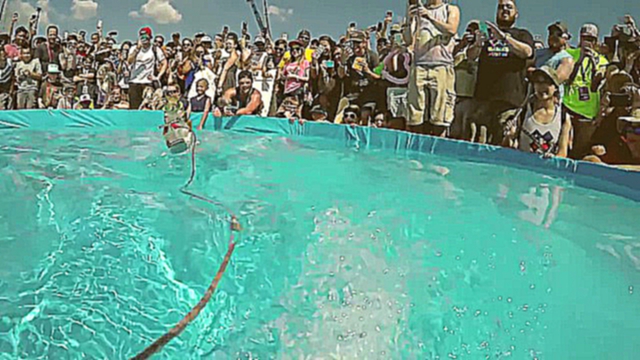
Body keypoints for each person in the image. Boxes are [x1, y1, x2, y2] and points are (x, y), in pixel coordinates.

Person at [467, 0, 535, 145]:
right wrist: (478, 44)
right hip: (483, 100)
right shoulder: (487, 33)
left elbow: (527, 52)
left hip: (509, 101)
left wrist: (504, 37)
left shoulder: (522, 34)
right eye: (501, 7)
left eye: (509, 7)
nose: (504, 9)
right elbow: (470, 56)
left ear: (516, 14)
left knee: (505, 142)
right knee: (477, 141)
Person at [406, 0, 461, 137]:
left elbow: (451, 29)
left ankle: (437, 153)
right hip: (419, 66)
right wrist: (409, 20)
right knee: (415, 116)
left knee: (440, 117)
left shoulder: (450, 9)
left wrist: (429, 16)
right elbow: (408, 40)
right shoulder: (419, 12)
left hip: (441, 67)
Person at [563, 24, 609, 159]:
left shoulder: (602, 60)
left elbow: (596, 85)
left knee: (578, 152)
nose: (588, 42)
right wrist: (580, 60)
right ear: (580, 38)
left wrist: (593, 64)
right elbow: (568, 79)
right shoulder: (570, 54)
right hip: (568, 108)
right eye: (585, 38)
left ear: (595, 41)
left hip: (587, 115)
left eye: (591, 39)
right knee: (564, 148)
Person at [507, 66, 572, 158]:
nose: (542, 87)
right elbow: (507, 148)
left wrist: (552, 159)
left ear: (556, 87)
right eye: (538, 82)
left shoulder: (563, 118)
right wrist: (509, 137)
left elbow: (562, 152)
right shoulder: (523, 112)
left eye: (547, 82)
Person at [452, 21, 480, 140]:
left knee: (467, 133)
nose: (471, 32)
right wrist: (461, 44)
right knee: (453, 132)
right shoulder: (459, 49)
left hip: (471, 99)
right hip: (455, 97)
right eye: (469, 29)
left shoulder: (482, 49)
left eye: (475, 30)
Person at [128, 27, 167, 110]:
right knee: (134, 108)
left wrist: (158, 77)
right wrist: (137, 49)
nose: (144, 39)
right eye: (142, 37)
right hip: (134, 81)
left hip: (148, 82)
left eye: (146, 37)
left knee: (148, 106)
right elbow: (129, 61)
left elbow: (164, 63)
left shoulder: (155, 49)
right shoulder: (133, 48)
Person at [535, 22, 575, 87]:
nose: (554, 36)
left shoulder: (567, 58)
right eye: (551, 33)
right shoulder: (537, 53)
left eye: (558, 34)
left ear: (565, 38)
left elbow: (557, 79)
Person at [279, 39, 310, 118]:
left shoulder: (305, 62)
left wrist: (295, 77)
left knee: (293, 114)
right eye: (292, 49)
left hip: (298, 90)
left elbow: (308, 78)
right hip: (287, 91)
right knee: (283, 114)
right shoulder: (288, 63)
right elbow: (283, 75)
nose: (294, 51)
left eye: (297, 49)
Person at [0, 41, 14, 110]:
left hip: (8, 90)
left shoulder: (10, 64)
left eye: (4, 56)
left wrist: (11, 90)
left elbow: (13, 77)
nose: (3, 58)